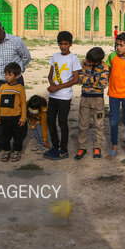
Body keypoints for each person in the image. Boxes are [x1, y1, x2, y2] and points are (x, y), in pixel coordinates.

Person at [0, 20, 31, 153]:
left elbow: (26, 57)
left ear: (3, 29)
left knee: (17, 111)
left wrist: (17, 73)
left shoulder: (16, 41)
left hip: (15, 84)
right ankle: (0, 142)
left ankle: (17, 142)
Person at [43, 31, 81, 161]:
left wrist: (57, 87)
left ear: (71, 44)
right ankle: (55, 146)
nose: (63, 46)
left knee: (62, 122)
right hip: (53, 96)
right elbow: (50, 74)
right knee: (50, 121)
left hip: (64, 97)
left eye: (66, 44)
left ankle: (64, 149)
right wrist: (51, 83)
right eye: (61, 44)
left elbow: (76, 79)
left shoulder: (73, 59)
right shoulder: (55, 56)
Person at [75, 47, 109, 160]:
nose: (86, 61)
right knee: (82, 124)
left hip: (98, 100)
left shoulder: (104, 66)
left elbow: (103, 84)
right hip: (85, 98)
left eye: (89, 61)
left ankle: (97, 147)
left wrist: (88, 80)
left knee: (98, 124)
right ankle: (82, 147)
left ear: (96, 62)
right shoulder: (83, 64)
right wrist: (95, 78)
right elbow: (80, 79)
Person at [0, 62, 27, 162]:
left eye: (10, 75)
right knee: (5, 136)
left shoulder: (20, 88)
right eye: (6, 75)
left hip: (16, 117)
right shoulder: (2, 87)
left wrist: (22, 117)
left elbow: (23, 104)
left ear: (17, 76)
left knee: (18, 136)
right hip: (4, 117)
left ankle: (16, 151)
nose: (7, 77)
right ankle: (6, 150)